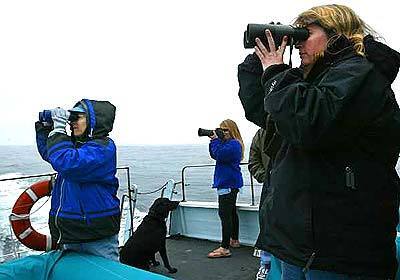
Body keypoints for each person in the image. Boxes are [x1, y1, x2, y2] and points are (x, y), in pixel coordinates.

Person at [238, 4, 400, 279]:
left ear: (336, 34)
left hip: (340, 250)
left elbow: (308, 124)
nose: (299, 44)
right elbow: (263, 112)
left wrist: (277, 72)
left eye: (305, 35)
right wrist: (260, 63)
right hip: (297, 245)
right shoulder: (311, 82)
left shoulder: (360, 74)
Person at [35, 99, 120, 261]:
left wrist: (59, 129)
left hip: (95, 234)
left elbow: (66, 162)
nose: (72, 122)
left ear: (94, 121)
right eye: (71, 118)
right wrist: (46, 126)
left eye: (77, 117)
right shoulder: (76, 147)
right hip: (71, 232)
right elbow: (51, 153)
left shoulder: (103, 148)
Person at [207, 119, 244, 258]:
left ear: (232, 130)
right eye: (221, 130)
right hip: (230, 182)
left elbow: (219, 155)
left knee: (224, 214)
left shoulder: (233, 144)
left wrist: (216, 140)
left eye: (225, 130)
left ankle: (225, 247)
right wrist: (213, 141)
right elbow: (213, 155)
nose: (223, 132)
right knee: (231, 212)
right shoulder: (229, 144)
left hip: (227, 183)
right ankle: (234, 240)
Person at [248, 128, 272, 280]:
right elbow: (253, 160)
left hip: (298, 187)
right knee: (267, 225)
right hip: (271, 186)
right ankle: (266, 264)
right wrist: (267, 177)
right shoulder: (261, 132)